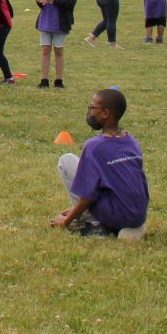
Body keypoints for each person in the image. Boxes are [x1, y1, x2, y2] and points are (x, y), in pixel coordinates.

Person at [51, 87, 148, 238]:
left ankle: (93, 224)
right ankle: (130, 228)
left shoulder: (94, 146)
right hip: (138, 216)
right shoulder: (132, 142)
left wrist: (67, 221)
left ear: (105, 113)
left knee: (66, 160)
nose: (90, 113)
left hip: (117, 214)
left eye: (92, 108)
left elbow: (88, 195)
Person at [35, 0, 75, 90]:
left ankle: (58, 80)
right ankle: (44, 79)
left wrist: (54, 0)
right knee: (45, 50)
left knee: (58, 51)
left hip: (59, 22)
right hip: (45, 21)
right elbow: (40, 0)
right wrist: (39, 1)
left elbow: (70, 3)